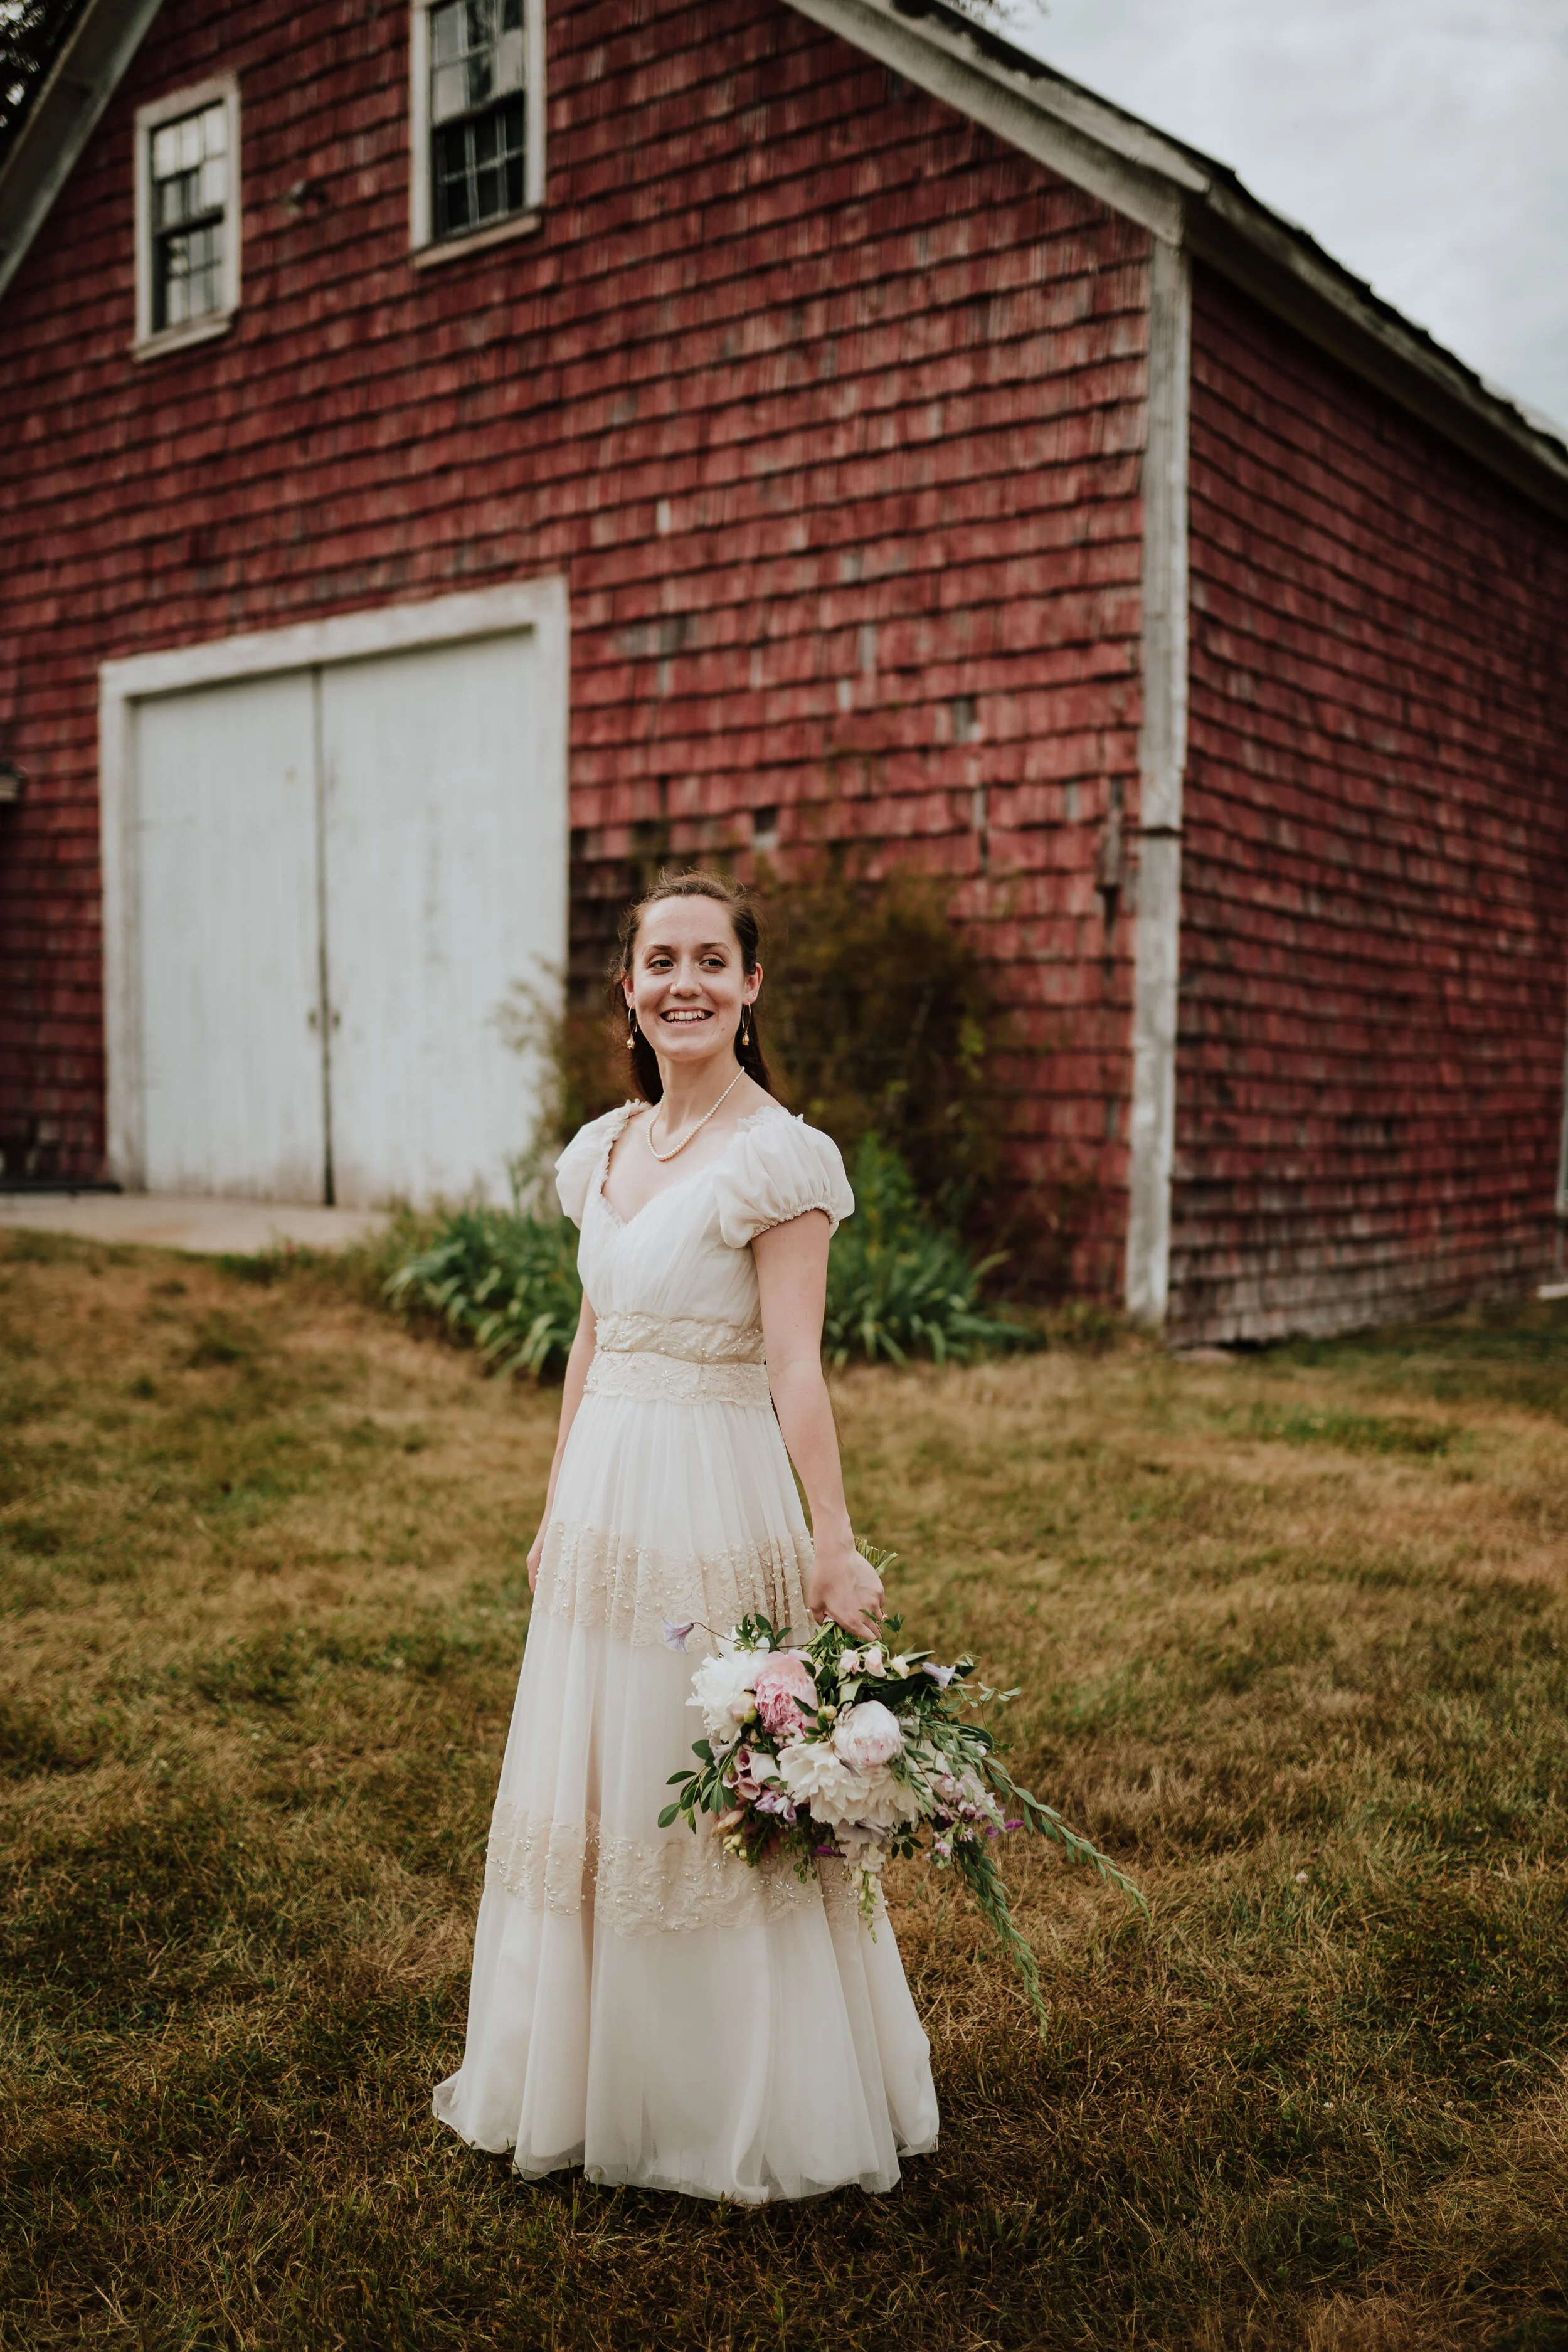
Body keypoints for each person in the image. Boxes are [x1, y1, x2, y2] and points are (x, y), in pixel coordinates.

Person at [434, 870, 938, 2201]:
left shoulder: (779, 1158)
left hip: (713, 1492)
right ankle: (590, 2072)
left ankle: (733, 2095)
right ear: (628, 985)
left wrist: (831, 1544)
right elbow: (591, 1340)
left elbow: (795, 1369)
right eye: (661, 961)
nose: (684, 985)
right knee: (596, 1780)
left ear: (751, 986)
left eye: (712, 961)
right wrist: (552, 1512)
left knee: (703, 1773)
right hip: (606, 1500)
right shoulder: (604, 1148)